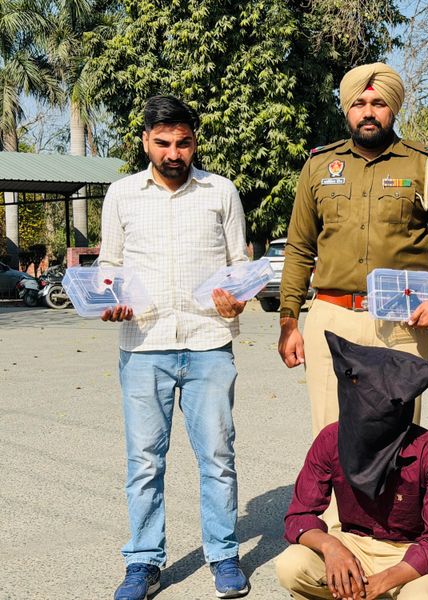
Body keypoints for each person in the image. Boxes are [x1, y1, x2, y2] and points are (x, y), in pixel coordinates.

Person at [99, 95, 251, 600]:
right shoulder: (121, 194)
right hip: (144, 345)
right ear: (145, 141)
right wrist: (111, 298)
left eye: (182, 143)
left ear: (194, 143)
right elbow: (109, 265)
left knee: (218, 457)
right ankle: (143, 562)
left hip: (209, 342)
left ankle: (223, 555)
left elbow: (239, 264)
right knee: (145, 461)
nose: (173, 153)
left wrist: (238, 299)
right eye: (162, 142)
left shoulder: (220, 191)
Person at [277, 62, 428, 436]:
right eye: (359, 103)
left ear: (393, 108)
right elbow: (299, 248)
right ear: (347, 109)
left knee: (397, 440)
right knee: (331, 439)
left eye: (379, 103)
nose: (368, 112)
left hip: (401, 322)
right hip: (332, 318)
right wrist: (289, 321)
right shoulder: (319, 164)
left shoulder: (425, 163)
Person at [275, 331, 428, 600]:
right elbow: (298, 517)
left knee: (423, 596)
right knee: (291, 565)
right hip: (351, 544)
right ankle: (349, 589)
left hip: (409, 554)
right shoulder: (330, 439)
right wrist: (332, 547)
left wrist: (382, 581)